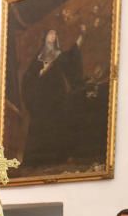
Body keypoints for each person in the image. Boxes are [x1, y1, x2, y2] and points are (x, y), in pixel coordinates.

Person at [21, 27, 86, 169]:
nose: (52, 35)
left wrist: (81, 36)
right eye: (50, 33)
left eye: (55, 33)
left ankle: (58, 157)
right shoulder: (39, 57)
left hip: (56, 95)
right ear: (45, 36)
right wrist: (41, 72)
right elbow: (28, 78)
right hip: (42, 98)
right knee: (40, 125)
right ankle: (37, 160)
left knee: (58, 122)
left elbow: (72, 56)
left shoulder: (59, 54)